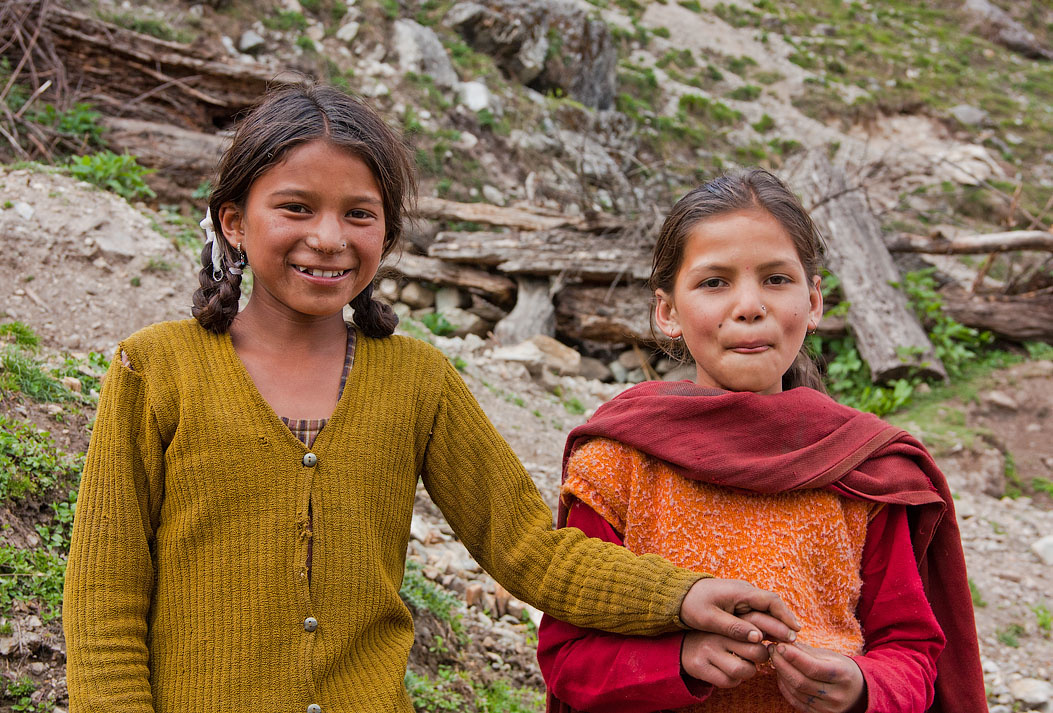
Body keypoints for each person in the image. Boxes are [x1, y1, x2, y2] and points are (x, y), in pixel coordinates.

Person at [62, 84, 800, 713]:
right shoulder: (155, 369)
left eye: (359, 213)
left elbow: (528, 548)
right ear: (233, 221)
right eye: (295, 207)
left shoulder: (416, 381)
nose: (329, 237)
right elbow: (104, 602)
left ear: (386, 232)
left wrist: (682, 596)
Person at [537, 169, 987, 713]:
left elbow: (912, 651)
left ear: (814, 301)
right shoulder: (618, 462)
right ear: (668, 312)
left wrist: (861, 684)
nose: (749, 305)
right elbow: (568, 657)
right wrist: (679, 659)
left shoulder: (863, 467)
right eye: (714, 282)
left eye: (776, 279)